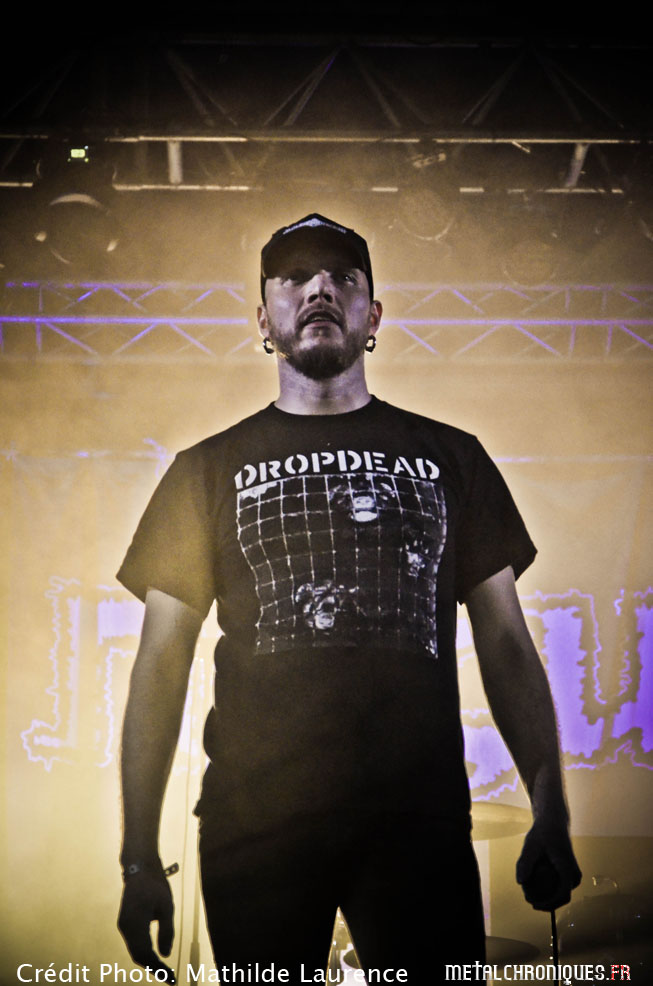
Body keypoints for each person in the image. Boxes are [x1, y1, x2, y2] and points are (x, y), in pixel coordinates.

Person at [116, 213, 581, 985]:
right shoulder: (203, 471)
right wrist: (138, 858)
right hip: (253, 826)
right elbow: (160, 665)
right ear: (262, 320)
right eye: (295, 277)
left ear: (373, 317)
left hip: (420, 823)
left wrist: (551, 812)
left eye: (342, 276)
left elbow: (505, 644)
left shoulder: (452, 458)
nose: (320, 288)